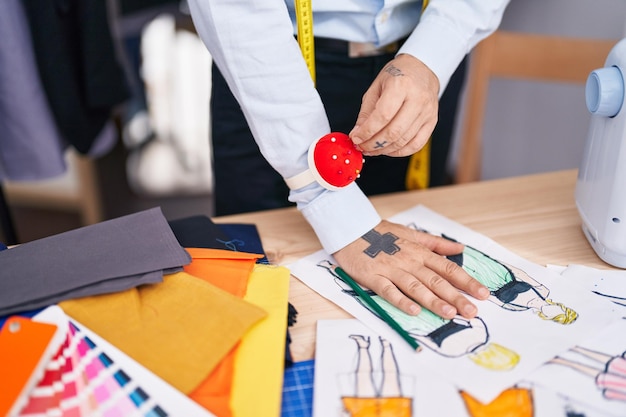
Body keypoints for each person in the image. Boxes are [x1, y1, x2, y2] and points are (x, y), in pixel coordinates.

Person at [187, 0, 510, 321]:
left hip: (424, 61)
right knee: (249, 300)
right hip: (268, 68)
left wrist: (432, 55)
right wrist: (344, 220)